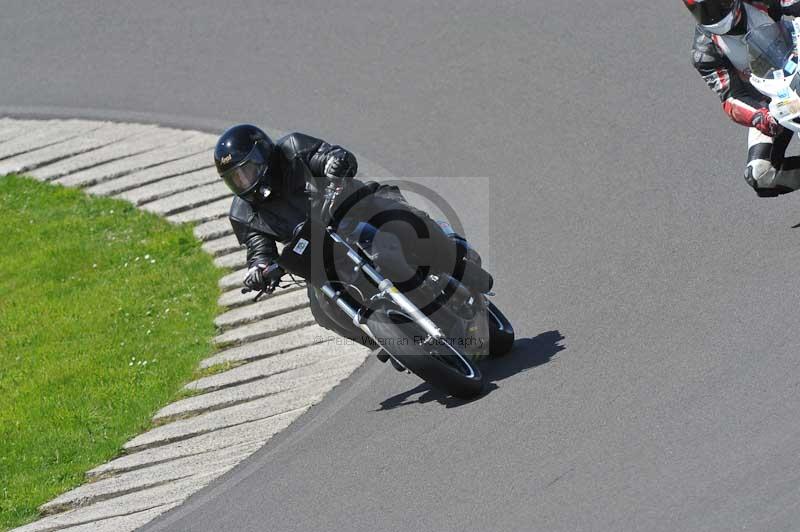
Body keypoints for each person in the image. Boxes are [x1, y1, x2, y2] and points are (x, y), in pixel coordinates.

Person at [213, 124, 492, 350]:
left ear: (263, 156)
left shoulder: (293, 149)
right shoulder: (244, 213)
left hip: (357, 210)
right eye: (234, 179)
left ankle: (457, 263)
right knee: (322, 310)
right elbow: (259, 249)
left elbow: (330, 155)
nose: (243, 183)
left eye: (246, 172)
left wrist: (335, 164)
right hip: (319, 252)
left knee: (402, 223)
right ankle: (383, 342)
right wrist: (259, 269)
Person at [684, 0, 800, 196]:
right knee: (760, 173)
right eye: (702, 10)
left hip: (796, 62)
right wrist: (759, 116)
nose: (712, 14)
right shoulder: (704, 52)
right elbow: (731, 97)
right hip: (773, 103)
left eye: (715, 5)